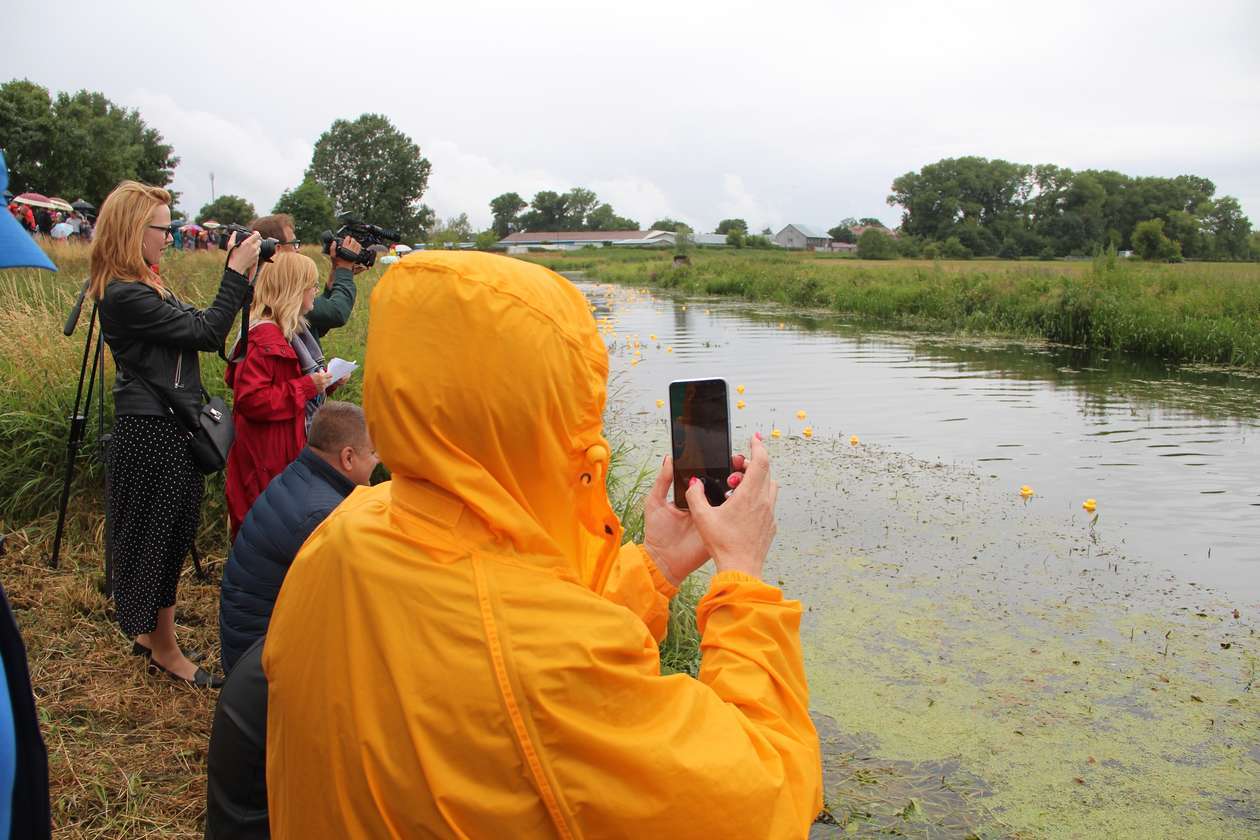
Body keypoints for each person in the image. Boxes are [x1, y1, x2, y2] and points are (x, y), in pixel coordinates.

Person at [263, 252, 822, 838]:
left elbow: (511, 645)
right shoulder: (543, 666)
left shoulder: (346, 530)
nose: (595, 435)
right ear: (542, 420)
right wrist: (742, 578)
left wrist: (657, 565)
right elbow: (766, 797)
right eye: (582, 412)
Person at [94, 180, 262, 689]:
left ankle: (153, 632)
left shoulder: (142, 285)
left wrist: (240, 283)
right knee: (161, 537)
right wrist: (233, 275)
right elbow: (208, 332)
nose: (169, 237)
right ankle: (164, 648)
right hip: (154, 433)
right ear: (133, 230)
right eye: (162, 229)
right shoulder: (124, 294)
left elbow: (198, 325)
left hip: (162, 426)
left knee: (167, 531)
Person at [218, 401, 376, 673]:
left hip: (247, 645)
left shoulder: (301, 474)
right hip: (261, 667)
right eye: (373, 453)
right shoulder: (321, 516)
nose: (378, 461)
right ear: (348, 458)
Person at [223, 251, 334, 538]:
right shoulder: (266, 338)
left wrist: (324, 383)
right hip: (265, 459)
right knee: (264, 532)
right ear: (294, 288)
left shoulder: (284, 332)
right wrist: (309, 386)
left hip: (274, 454)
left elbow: (280, 386)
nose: (314, 291)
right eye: (311, 284)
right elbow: (252, 400)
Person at [249, 213, 363, 340]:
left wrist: (337, 270)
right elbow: (337, 312)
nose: (298, 250)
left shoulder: (259, 283)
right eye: (294, 243)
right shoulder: (278, 290)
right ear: (277, 249)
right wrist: (345, 271)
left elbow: (315, 324)